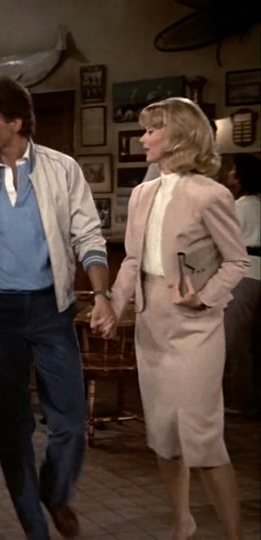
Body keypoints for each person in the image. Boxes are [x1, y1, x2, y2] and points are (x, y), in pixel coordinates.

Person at [0, 77, 114, 540]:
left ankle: (56, 492)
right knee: (12, 422)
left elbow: (88, 236)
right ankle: (34, 527)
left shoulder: (62, 170)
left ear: (16, 122)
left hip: (50, 308)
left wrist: (102, 295)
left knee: (70, 422)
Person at [103, 98, 249, 540]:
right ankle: (182, 521)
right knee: (165, 436)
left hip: (194, 332)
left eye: (152, 130)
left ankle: (235, 535)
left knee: (202, 440)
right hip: (152, 329)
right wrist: (114, 305)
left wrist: (205, 298)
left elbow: (237, 261)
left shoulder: (210, 194)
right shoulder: (143, 193)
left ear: (180, 136)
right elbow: (132, 260)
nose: (143, 138)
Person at [220, 153, 261, 414]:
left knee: (235, 341)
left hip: (243, 274)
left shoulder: (238, 207)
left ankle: (239, 399)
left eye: (232, 170)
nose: (228, 175)